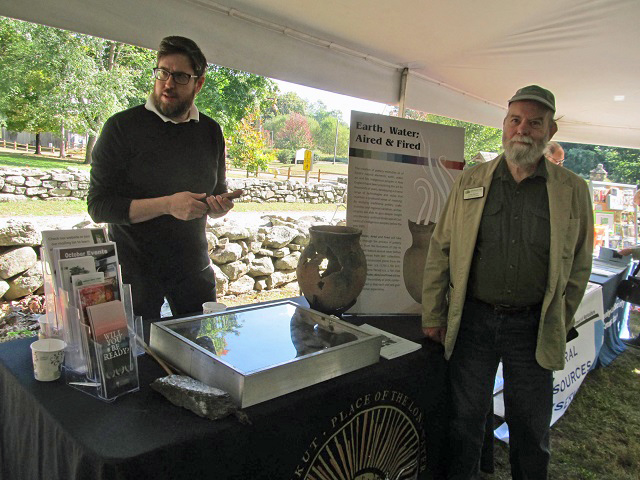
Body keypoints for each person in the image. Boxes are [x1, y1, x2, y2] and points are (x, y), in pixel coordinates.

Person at [422, 85, 594, 479]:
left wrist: (557, 317)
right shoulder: (471, 181)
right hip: (474, 323)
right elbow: (440, 249)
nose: (523, 129)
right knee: (465, 421)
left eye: (534, 123)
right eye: (515, 120)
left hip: (532, 327)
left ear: (549, 132)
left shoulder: (572, 191)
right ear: (503, 125)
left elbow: (580, 264)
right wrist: (433, 313)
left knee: (531, 428)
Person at [88, 36, 241, 328]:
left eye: (181, 76)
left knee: (201, 352)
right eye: (162, 72)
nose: (168, 83)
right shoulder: (121, 128)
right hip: (134, 273)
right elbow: (99, 206)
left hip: (192, 270)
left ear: (199, 84)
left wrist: (220, 206)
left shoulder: (211, 132)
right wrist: (169, 205)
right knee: (140, 361)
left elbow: (216, 194)